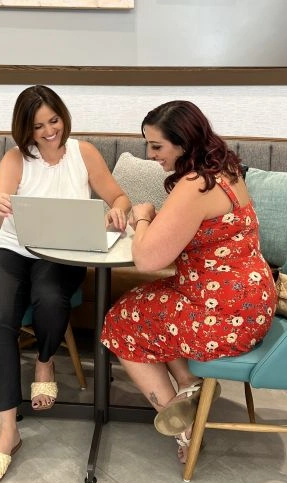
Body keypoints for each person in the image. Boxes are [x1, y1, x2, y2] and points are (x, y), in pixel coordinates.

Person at [100, 100, 277, 464]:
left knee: (121, 321)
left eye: (156, 146)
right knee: (143, 298)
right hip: (251, 303)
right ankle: (188, 386)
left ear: (183, 142)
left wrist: (144, 214)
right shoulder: (224, 169)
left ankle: (183, 429)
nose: (150, 155)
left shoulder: (195, 183)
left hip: (224, 316)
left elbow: (148, 259)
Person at [0, 85, 131, 483]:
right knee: (0, 321)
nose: (48, 132)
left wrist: (117, 207)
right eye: (37, 126)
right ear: (24, 129)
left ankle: (45, 361)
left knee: (48, 296)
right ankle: (7, 432)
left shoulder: (84, 153)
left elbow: (117, 195)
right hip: (11, 247)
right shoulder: (15, 159)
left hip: (63, 252)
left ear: (63, 117)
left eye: (54, 121)